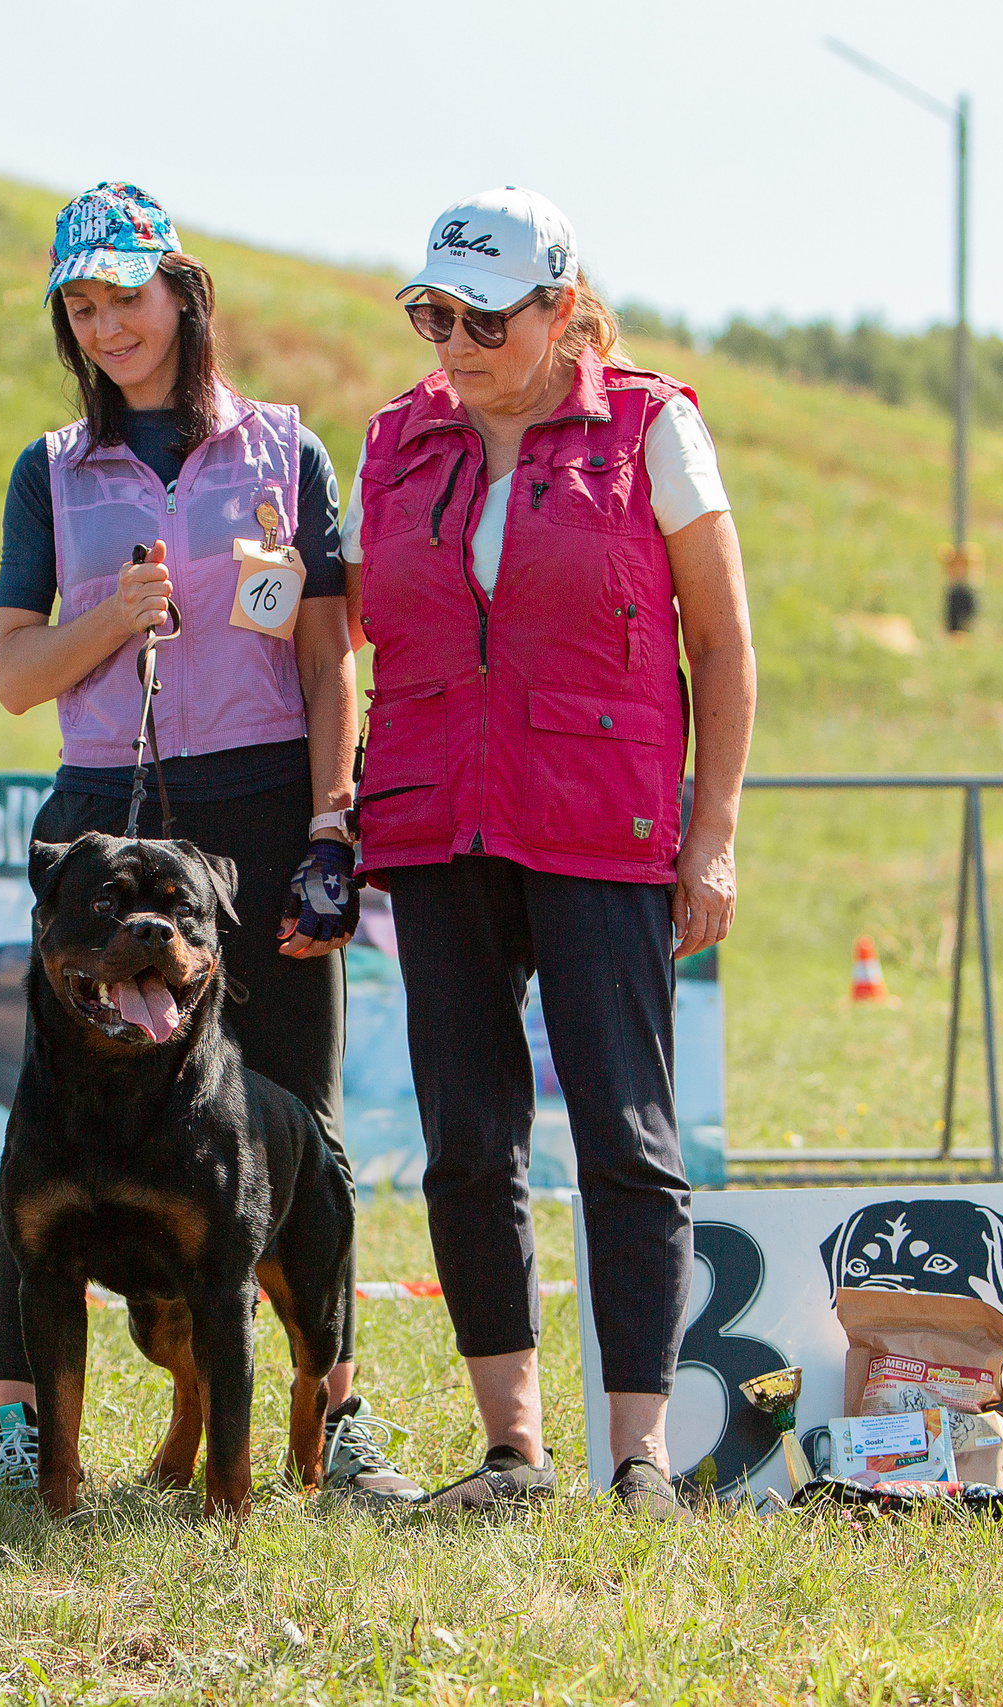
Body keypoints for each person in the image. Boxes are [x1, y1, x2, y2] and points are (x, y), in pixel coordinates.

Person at [0, 182, 418, 1508]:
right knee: (44, 1130)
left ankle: (330, 1414)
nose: (106, 323)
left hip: (260, 816)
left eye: (125, 294)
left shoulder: (287, 450)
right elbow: (12, 675)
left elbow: (335, 654)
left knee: (303, 1130)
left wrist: (331, 822)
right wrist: (110, 615)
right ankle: (15, 1425)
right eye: (81, 304)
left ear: (183, 290)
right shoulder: (51, 469)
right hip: (101, 822)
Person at [341, 187, 754, 1518]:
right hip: (436, 825)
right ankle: (510, 1449)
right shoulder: (396, 441)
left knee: (628, 1139)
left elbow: (725, 650)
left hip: (605, 826)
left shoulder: (657, 426)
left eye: (480, 316)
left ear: (562, 309)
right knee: (467, 1139)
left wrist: (717, 834)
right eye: (429, 312)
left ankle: (639, 1456)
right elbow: (351, 638)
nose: (450, 341)